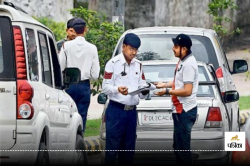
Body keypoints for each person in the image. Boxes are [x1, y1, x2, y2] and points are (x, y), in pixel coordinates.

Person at [102, 33, 153, 165]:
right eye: (131, 49)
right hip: (116, 110)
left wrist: (145, 90)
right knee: (112, 149)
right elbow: (105, 88)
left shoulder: (139, 65)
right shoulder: (113, 63)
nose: (134, 52)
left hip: (131, 112)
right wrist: (117, 89)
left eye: (136, 50)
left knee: (129, 150)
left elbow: (141, 87)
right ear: (124, 47)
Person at [154, 34, 199, 165]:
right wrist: (165, 84)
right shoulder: (183, 61)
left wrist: (167, 91)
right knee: (178, 148)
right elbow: (179, 82)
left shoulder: (189, 64)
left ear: (184, 49)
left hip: (184, 111)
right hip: (180, 110)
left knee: (183, 150)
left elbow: (187, 90)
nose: (173, 49)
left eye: (176, 46)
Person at [59, 17, 100, 134]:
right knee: (82, 118)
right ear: (85, 30)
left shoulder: (66, 46)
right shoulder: (92, 48)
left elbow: (60, 67)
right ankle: (79, 143)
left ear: (74, 31)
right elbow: (95, 74)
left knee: (67, 117)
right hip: (84, 86)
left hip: (69, 85)